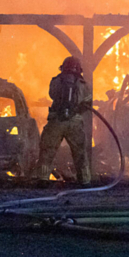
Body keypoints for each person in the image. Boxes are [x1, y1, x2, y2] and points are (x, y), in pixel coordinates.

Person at [37, 56, 93, 184]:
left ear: (63, 67)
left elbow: (52, 94)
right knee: (80, 153)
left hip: (56, 120)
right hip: (75, 122)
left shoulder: (56, 81)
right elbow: (87, 102)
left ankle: (42, 179)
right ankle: (85, 181)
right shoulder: (84, 84)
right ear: (79, 69)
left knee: (47, 150)